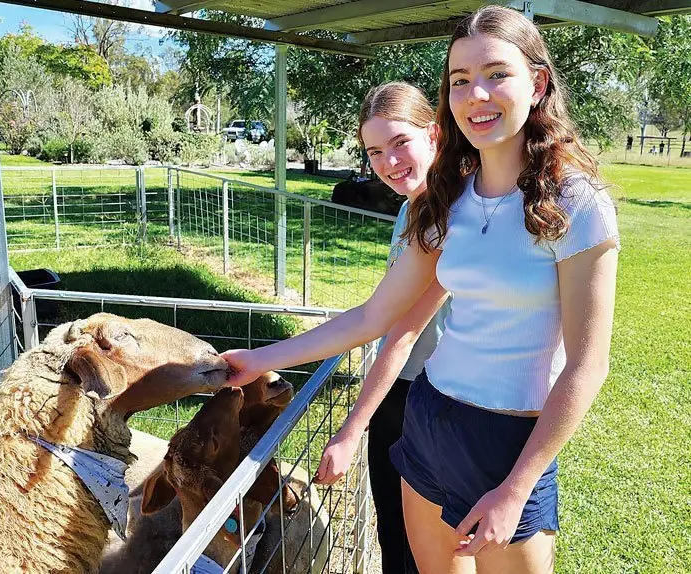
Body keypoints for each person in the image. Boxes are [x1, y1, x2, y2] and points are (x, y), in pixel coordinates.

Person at [223, 6, 619, 574]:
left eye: (496, 74)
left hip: (510, 443)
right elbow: (373, 317)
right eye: (460, 80)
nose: (476, 94)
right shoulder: (447, 203)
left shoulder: (576, 204)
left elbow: (588, 365)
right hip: (429, 422)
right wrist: (256, 358)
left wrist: (516, 489)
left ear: (538, 83)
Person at [312, 82, 451, 574]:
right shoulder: (411, 206)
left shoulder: (448, 213)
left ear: (433, 134)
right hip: (396, 393)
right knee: (394, 533)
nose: (388, 162)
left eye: (399, 143)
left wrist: (351, 428)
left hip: (432, 399)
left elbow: (399, 332)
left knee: (428, 547)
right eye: (374, 151)